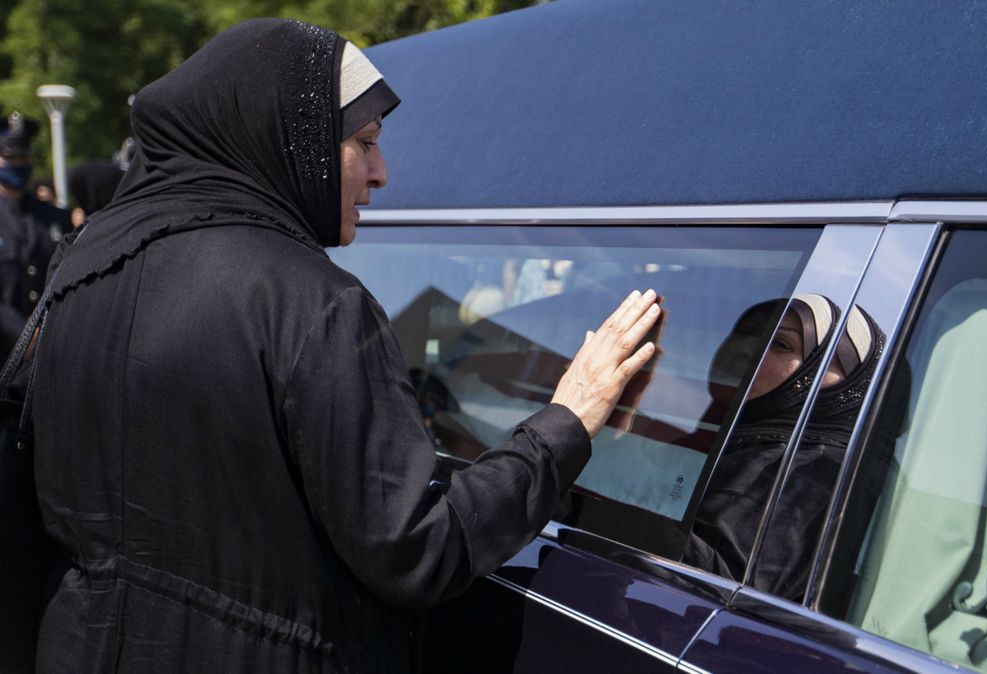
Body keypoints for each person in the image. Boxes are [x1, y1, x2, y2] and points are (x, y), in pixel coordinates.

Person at [18, 19, 660, 672]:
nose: (383, 173)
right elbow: (416, 550)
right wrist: (568, 421)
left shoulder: (84, 266)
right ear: (287, 138)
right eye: (364, 141)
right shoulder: (311, 301)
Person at [684, 294, 883, 601]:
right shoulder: (719, 441)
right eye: (746, 332)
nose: (747, 350)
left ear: (840, 382)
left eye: (780, 344)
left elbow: (716, 592)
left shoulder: (812, 472)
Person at [0, 112, 72, 358]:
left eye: (24, 156)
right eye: (11, 157)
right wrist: (24, 336)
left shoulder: (55, 218)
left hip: (49, 351)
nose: (19, 163)